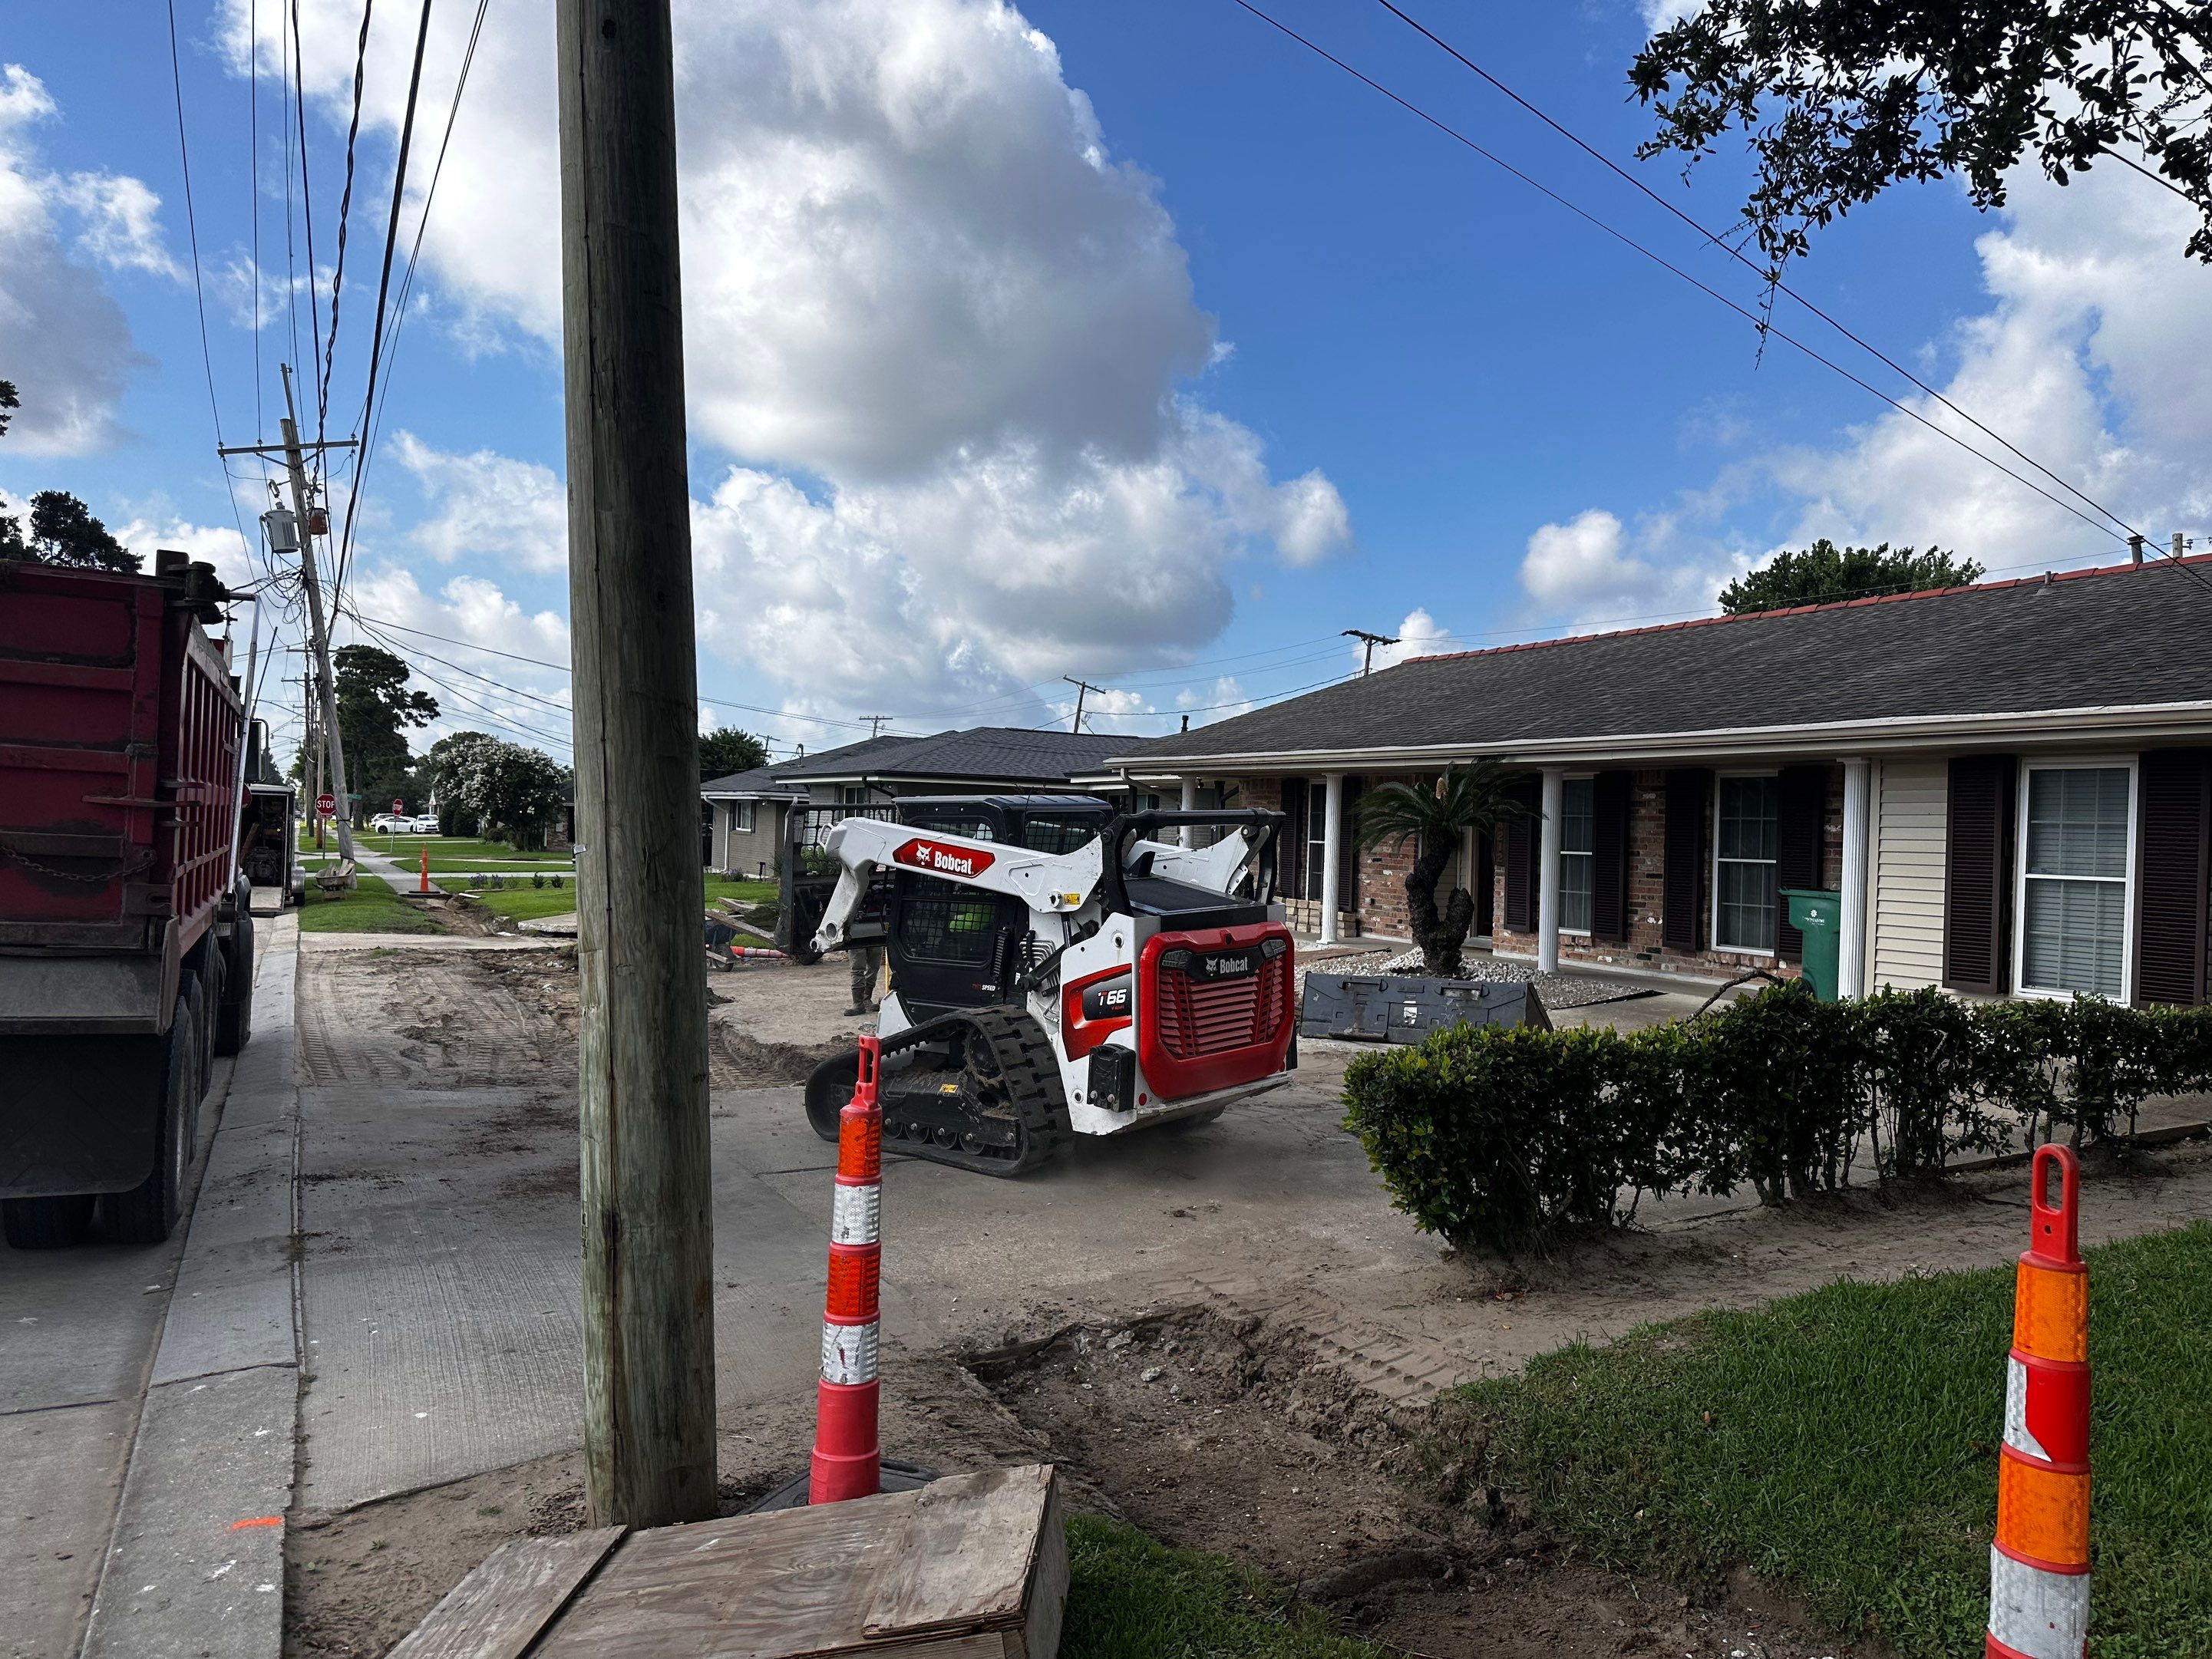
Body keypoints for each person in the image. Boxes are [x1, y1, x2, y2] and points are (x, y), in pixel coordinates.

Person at [846, 943, 882, 1016]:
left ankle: (866, 999)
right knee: (857, 969)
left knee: (874, 967)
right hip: (856, 939)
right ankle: (858, 1003)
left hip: (876, 938)